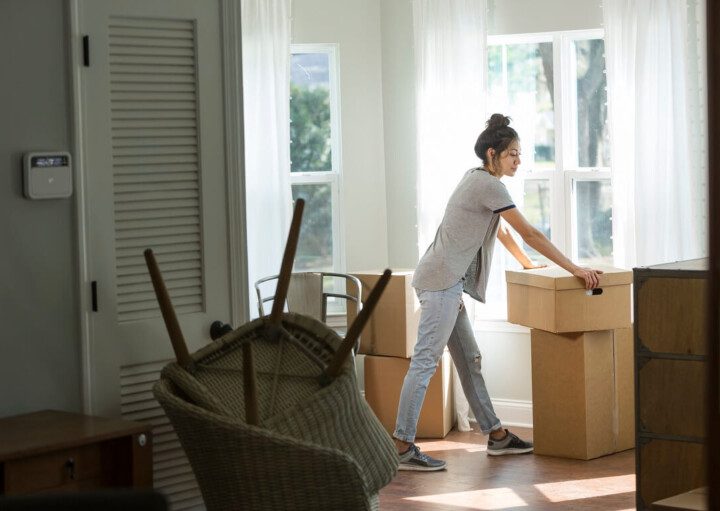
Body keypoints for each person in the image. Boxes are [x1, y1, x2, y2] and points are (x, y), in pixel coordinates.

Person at [394, 113, 603, 471]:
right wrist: (576, 269)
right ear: (493, 154)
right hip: (441, 281)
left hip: (446, 280)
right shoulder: (489, 185)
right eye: (513, 154)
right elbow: (529, 232)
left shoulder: (477, 179)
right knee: (426, 360)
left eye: (519, 154)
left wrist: (526, 263)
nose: (519, 160)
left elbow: (503, 232)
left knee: (469, 360)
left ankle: (497, 436)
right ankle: (401, 447)